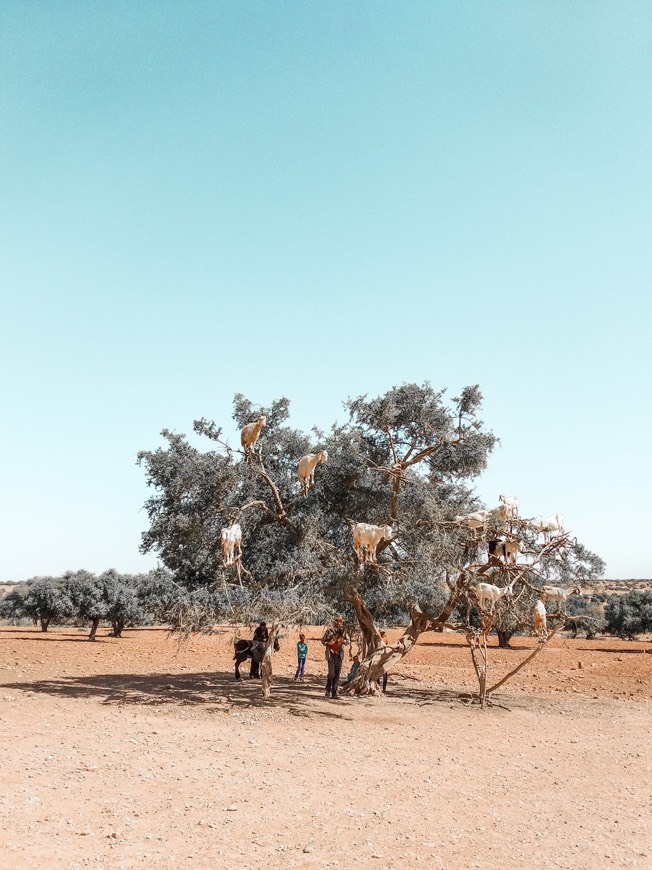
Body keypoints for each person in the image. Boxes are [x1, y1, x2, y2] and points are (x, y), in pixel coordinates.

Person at [321, 615, 348, 698]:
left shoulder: (343, 632)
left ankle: (334, 692)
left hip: (339, 654)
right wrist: (328, 643)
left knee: (337, 674)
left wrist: (343, 641)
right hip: (331, 654)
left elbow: (348, 641)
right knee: (331, 673)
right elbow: (323, 640)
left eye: (340, 622)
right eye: (337, 621)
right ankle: (328, 689)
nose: (339, 623)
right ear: (335, 622)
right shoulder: (329, 631)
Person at [379, 630, 389, 694]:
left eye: (383, 632)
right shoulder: (381, 638)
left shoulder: (384, 638)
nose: (383, 633)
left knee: (384, 673)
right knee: (382, 673)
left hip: (382, 657)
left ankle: (383, 688)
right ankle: (381, 687)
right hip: (382, 657)